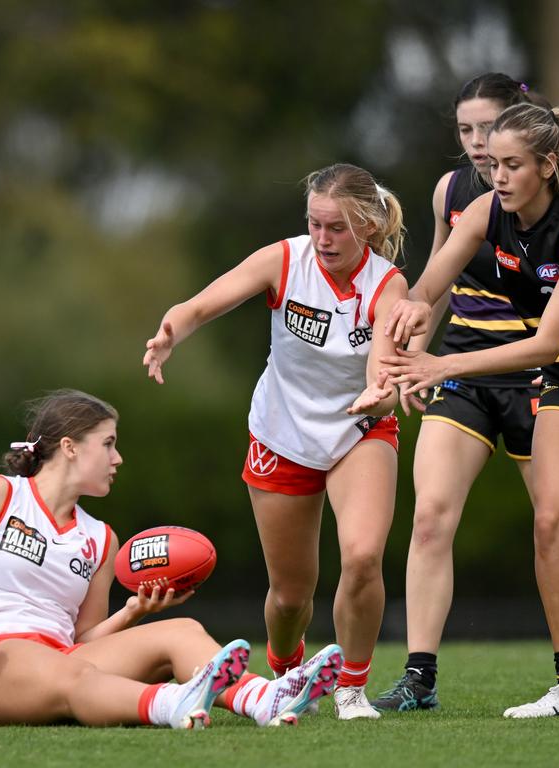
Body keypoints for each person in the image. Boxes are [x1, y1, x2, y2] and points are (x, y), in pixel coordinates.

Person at [373, 73, 559, 713]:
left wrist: (436, 367)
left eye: (506, 159)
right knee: (536, 521)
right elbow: (426, 287)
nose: (489, 167)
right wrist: (411, 322)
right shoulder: (476, 205)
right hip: (542, 378)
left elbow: (546, 344)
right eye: (475, 145)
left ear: (544, 159)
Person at [0, 389, 344, 728]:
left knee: (181, 630)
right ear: (70, 446)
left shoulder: (100, 538)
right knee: (72, 678)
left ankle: (263, 698)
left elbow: (83, 639)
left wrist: (135, 610)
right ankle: (172, 702)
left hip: (60, 660)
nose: (118, 458)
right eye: (108, 444)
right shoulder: (0, 493)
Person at [144, 164, 407, 720]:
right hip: (281, 432)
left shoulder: (387, 284)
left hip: (359, 430)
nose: (322, 238)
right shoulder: (284, 261)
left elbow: (384, 372)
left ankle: (352, 689)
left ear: (366, 227)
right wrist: (171, 332)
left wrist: (379, 397)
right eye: (314, 223)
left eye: (336, 227)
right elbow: (199, 306)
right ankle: (288, 674)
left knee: (362, 556)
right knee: (290, 596)